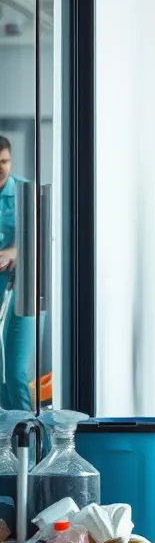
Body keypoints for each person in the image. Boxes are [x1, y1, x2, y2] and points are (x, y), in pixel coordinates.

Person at [0, 137, 33, 411]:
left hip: (22, 294)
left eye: (5, 161)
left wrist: (14, 251)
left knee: (14, 373)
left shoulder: (25, 193)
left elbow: (42, 237)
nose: (1, 167)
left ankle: (32, 444)